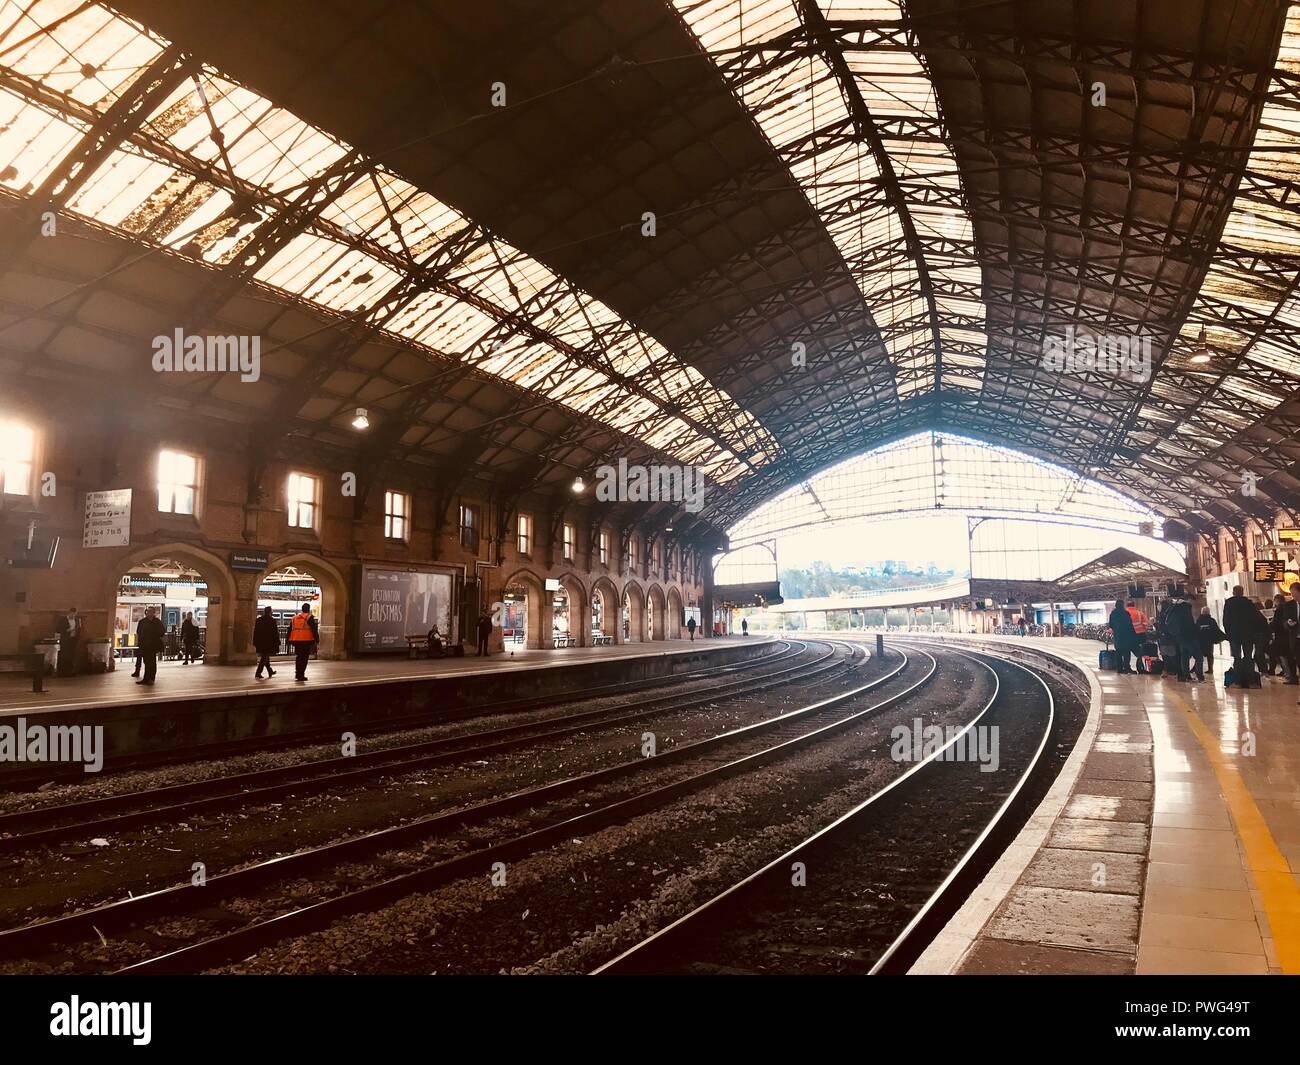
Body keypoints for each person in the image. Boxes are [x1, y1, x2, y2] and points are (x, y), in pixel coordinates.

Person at [1222, 585, 1263, 684]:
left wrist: (1228, 633)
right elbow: (1255, 619)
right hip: (1248, 635)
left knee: (1237, 657)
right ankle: (1250, 679)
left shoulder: (1229, 603)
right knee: (1248, 656)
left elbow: (1226, 620)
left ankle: (1238, 680)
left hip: (1234, 635)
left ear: (1233, 592)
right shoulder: (1249, 603)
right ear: (1242, 592)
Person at [1165, 598, 1199, 682]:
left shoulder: (1173, 608)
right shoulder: (1185, 608)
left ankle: (1184, 676)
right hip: (1187, 636)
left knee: (1183, 656)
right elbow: (1189, 623)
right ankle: (1197, 676)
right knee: (1198, 656)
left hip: (1178, 636)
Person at [287, 602, 319, 681]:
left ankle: (297, 673)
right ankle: (301, 675)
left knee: (298, 658)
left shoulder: (294, 618)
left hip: (296, 641)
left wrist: (288, 640)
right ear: (308, 609)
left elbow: (289, 629)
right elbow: (314, 629)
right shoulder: (309, 617)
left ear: (302, 609)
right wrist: (317, 639)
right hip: (306, 641)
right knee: (304, 659)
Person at [135, 605, 165, 686]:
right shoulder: (142, 622)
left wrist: (153, 636)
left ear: (154, 613)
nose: (149, 613)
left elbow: (162, 632)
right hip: (144, 645)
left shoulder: (157, 622)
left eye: (151, 611)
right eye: (148, 611)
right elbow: (139, 632)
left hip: (153, 645)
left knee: (152, 662)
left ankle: (151, 678)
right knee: (146, 662)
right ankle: (145, 678)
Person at [1271, 593, 1297, 683]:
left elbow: (1276, 624)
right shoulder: (1288, 608)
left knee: (1284, 657)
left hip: (1280, 637)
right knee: (1289, 656)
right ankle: (1290, 675)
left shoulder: (1278, 610)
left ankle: (1289, 675)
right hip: (1288, 636)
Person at [1108, 599, 1138, 674]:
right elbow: (1130, 625)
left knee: (1118, 653)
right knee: (1126, 652)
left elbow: (1111, 625)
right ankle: (1127, 668)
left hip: (1118, 636)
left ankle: (1119, 669)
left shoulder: (1113, 613)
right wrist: (1134, 635)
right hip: (1126, 636)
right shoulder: (1125, 613)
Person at [1195, 607, 1227, 677]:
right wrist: (1224, 636)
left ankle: (1197, 670)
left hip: (1201, 641)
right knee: (1210, 655)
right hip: (1209, 641)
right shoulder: (1212, 620)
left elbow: (1196, 630)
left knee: (1199, 655)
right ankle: (1210, 669)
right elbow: (1216, 630)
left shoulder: (1199, 620)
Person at [253, 606, 280, 679]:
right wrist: (278, 641)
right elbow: (275, 633)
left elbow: (255, 631)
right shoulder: (272, 620)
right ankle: (258, 673)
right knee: (264, 657)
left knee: (265, 656)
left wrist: (254, 641)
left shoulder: (259, 620)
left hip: (260, 641)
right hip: (268, 642)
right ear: (270, 612)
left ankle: (270, 671)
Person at [54, 607, 81, 677]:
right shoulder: (63, 620)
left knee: (72, 655)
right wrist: (67, 630)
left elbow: (79, 628)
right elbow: (58, 629)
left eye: (75, 614)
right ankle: (63, 671)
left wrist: (77, 633)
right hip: (65, 640)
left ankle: (71, 670)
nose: (73, 616)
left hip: (74, 639)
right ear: (69, 613)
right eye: (72, 614)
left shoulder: (77, 620)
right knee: (64, 655)